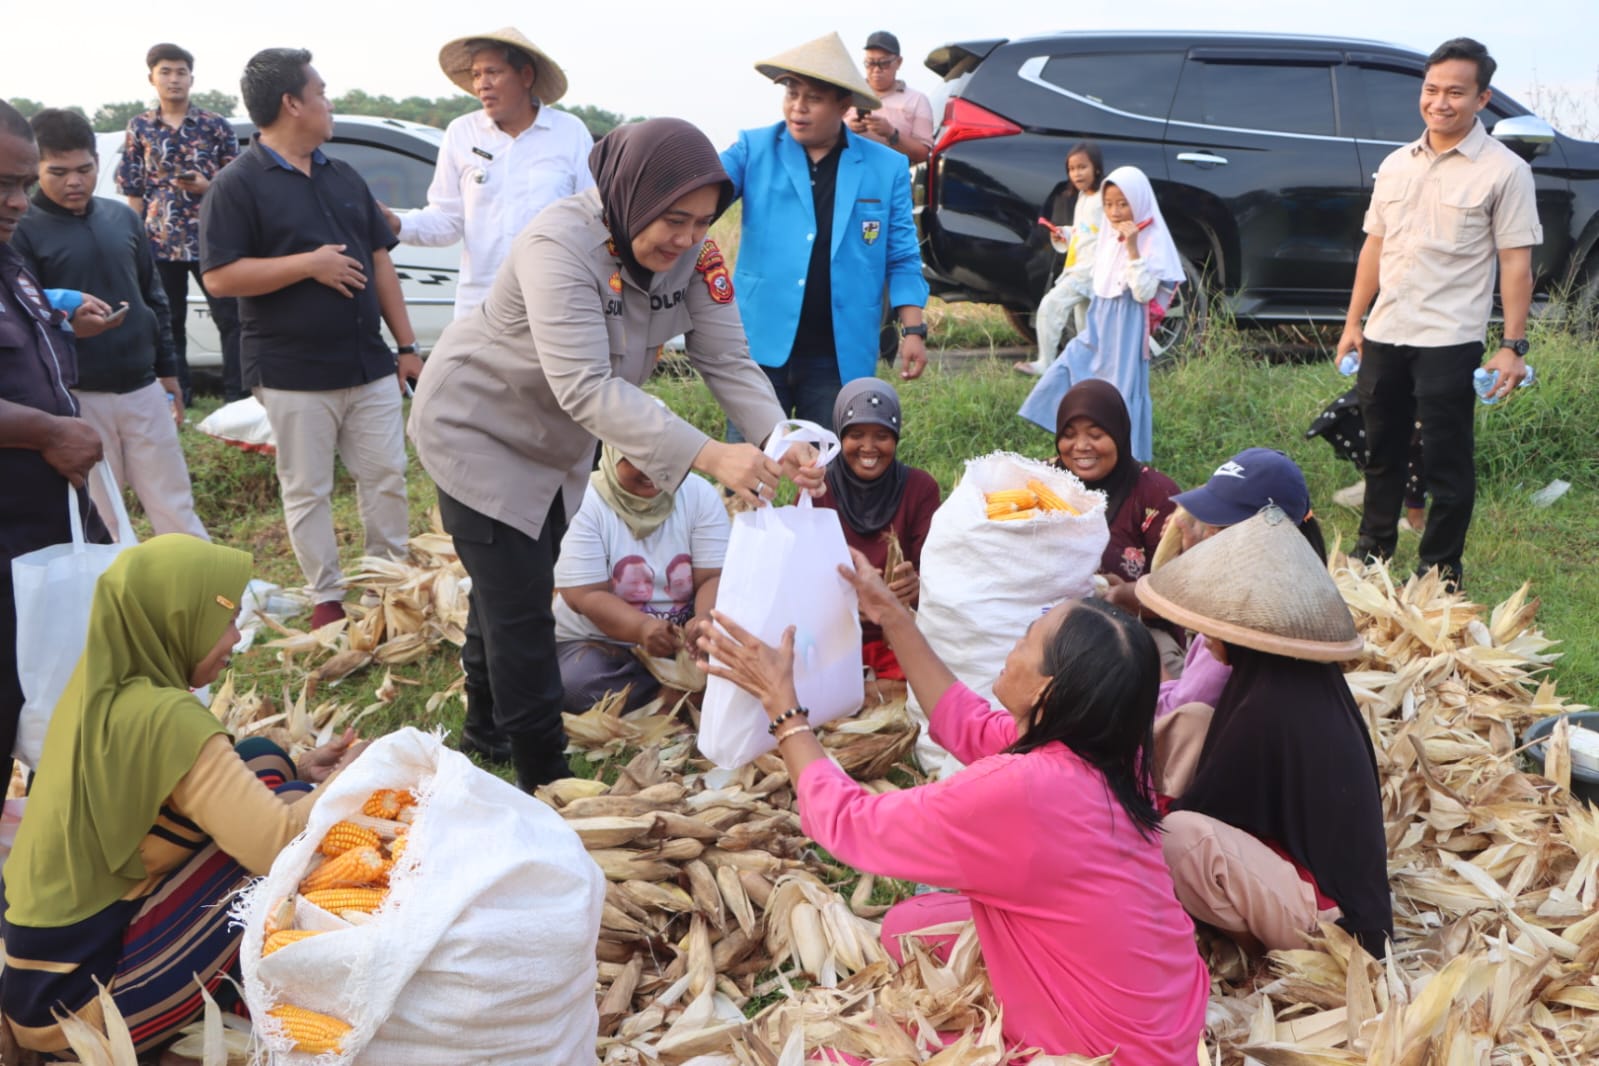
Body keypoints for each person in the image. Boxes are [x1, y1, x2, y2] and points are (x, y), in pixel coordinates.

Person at [408, 117, 822, 792]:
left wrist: (782, 440)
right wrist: (712, 456)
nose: (688, 239)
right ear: (631, 193)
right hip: (478, 429)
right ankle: (544, 779)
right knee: (520, 609)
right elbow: (584, 384)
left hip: (555, 438)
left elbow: (727, 358)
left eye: (703, 221)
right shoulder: (557, 245)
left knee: (513, 583)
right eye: (673, 220)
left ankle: (484, 732)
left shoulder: (696, 255)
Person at [699, 560, 1208, 1061]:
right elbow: (967, 723)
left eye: (1027, 637)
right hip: (1168, 1023)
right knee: (908, 926)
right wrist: (893, 615)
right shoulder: (1107, 745)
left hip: (1103, 1053)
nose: (1014, 646)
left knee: (834, 1056)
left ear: (1045, 691)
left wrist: (783, 710)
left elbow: (853, 824)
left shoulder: (1025, 793)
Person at [0, 535, 364, 1057]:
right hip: (80, 1006)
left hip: (35, 975)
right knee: (270, 876)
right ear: (179, 619)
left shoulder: (98, 688)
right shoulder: (164, 717)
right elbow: (278, 846)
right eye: (227, 620)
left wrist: (303, 771)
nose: (237, 638)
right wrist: (349, 780)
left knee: (263, 755)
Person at [201, 48, 421, 630]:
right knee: (307, 489)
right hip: (291, 368)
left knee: (386, 476)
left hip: (368, 362)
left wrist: (405, 347)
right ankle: (327, 597)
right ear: (291, 103)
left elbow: (380, 263)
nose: (328, 103)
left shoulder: (341, 175)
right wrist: (307, 265)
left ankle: (387, 584)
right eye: (320, 92)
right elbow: (220, 277)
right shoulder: (237, 185)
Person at [1135, 507, 1393, 958]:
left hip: (1338, 927)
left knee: (1178, 840)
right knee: (1194, 722)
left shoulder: (1270, 707)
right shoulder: (1281, 679)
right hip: (1304, 870)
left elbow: (1213, 811)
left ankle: (1254, 953)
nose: (1202, 633)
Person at [1336, 37, 1540, 589]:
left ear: (1482, 98)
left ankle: (1438, 573)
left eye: (1456, 92)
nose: (1440, 102)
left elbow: (1515, 264)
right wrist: (1354, 323)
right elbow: (1374, 249)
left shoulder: (1504, 171)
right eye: (1431, 89)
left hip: (1449, 339)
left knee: (1447, 466)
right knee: (1382, 455)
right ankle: (1371, 556)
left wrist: (1512, 345)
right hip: (1386, 331)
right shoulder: (1396, 165)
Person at [15, 109, 208, 543]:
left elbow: (152, 297)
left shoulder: (121, 218)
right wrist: (68, 322)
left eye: (84, 169)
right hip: (79, 397)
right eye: (58, 172)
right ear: (35, 169)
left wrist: (168, 371)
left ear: (98, 163)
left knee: (174, 504)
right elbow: (26, 318)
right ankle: (119, 608)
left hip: (142, 389)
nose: (74, 182)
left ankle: (203, 601)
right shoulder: (22, 231)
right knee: (104, 519)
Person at [721, 32, 930, 432]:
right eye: (791, 93)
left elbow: (902, 255)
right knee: (746, 475)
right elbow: (701, 194)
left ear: (844, 104)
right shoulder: (754, 149)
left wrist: (914, 329)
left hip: (838, 353)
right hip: (760, 347)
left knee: (830, 475)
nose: (798, 108)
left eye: (813, 98)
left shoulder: (884, 168)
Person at [0, 100, 110, 766]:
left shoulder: (11, 262)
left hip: (47, 536)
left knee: (68, 715)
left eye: (18, 184)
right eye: (0, 186)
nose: (15, 202)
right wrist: (43, 429)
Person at [383, 28, 595, 319]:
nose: (482, 84)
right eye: (476, 74)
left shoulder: (570, 133)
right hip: (480, 306)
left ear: (526, 76)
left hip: (553, 303)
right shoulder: (462, 133)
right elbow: (447, 220)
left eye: (493, 72)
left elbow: (591, 219)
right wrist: (397, 224)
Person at [1018, 165, 1185, 464]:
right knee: (1067, 368)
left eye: (1123, 203)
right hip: (1099, 327)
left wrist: (1133, 249)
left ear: (1140, 201)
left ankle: (1124, 462)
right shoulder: (1109, 236)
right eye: (1109, 204)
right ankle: (1071, 446)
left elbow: (1143, 293)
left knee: (1116, 396)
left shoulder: (1152, 241)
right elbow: (1096, 273)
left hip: (1126, 333)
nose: (1116, 212)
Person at [1153, 447, 1326, 722]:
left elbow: (1180, 712)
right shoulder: (1294, 587)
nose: (1207, 537)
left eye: (1217, 530)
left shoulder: (1238, 628)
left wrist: (1149, 664)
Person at [553, 446, 729, 713]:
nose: (653, 472)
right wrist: (642, 628)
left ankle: (668, 698)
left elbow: (713, 576)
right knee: (574, 682)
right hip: (600, 644)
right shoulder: (584, 502)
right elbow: (585, 596)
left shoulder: (698, 494)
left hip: (683, 644)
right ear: (611, 455)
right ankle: (675, 697)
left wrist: (704, 618)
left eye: (664, 460)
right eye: (637, 459)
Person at [116, 42, 244, 402]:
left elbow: (237, 183)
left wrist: (209, 185)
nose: (174, 79)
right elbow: (133, 187)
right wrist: (134, 237)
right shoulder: (140, 126)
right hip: (160, 239)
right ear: (152, 79)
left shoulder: (214, 125)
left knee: (231, 318)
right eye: (166, 72)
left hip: (212, 236)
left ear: (192, 78)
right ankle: (179, 394)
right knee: (168, 321)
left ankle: (238, 395)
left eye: (181, 72)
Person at [1045, 379, 1183, 676]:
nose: (1081, 447)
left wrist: (1131, 597)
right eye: (1069, 436)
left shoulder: (1155, 495)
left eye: (1095, 435)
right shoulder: (1043, 482)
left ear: (1119, 436)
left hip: (1134, 631)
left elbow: (1180, 589)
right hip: (1051, 621)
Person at [814, 378, 940, 682]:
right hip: (834, 638)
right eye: (856, 435)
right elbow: (798, 576)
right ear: (839, 435)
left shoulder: (919, 488)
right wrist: (839, 601)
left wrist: (918, 586)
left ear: (895, 438)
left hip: (897, 637)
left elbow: (944, 574)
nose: (868, 448)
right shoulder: (819, 489)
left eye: (881, 436)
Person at [1016, 141, 1105, 376]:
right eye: (1072, 169)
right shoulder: (1084, 198)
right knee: (1085, 322)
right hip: (1081, 266)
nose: (1077, 174)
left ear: (1096, 168)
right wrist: (1063, 232)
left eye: (1082, 167)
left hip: (1090, 269)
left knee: (1051, 306)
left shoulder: (1104, 197)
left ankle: (1045, 361)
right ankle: (1092, 369)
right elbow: (1083, 231)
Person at [845, 31, 933, 166]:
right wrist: (846, 129)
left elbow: (922, 154)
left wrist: (891, 134)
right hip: (849, 172)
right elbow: (821, 135)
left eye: (884, 63)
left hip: (892, 179)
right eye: (870, 63)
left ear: (898, 62)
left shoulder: (917, 100)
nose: (876, 69)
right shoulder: (847, 95)